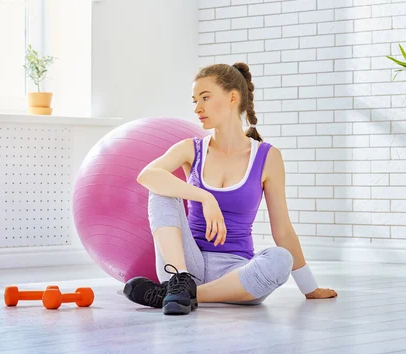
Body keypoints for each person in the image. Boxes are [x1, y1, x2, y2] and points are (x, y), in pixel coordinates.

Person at [123, 62, 337, 315]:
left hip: (235, 276)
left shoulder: (267, 157)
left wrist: (309, 288)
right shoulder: (191, 148)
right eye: (194, 100)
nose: (197, 108)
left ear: (233, 97)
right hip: (186, 264)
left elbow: (282, 229)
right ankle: (179, 283)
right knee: (160, 186)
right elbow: (147, 175)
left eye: (205, 98)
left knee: (280, 259)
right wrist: (205, 197)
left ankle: (175, 295)